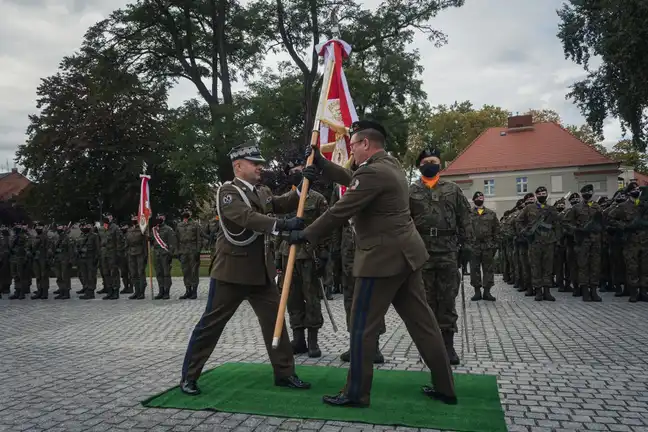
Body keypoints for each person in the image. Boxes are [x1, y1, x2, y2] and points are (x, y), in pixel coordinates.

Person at [288, 120, 456, 408]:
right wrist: (323, 165)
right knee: (424, 324)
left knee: (361, 327)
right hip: (406, 256)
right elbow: (352, 177)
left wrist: (305, 234)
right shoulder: (389, 165)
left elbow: (341, 210)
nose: (350, 150)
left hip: (381, 260)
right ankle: (445, 387)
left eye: (353, 144)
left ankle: (356, 393)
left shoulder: (374, 172)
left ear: (365, 144)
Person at [179, 143, 315, 396]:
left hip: (261, 272)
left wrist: (301, 186)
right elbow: (247, 218)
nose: (260, 167)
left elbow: (280, 203)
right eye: (255, 163)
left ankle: (285, 374)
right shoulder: (228, 192)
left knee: (275, 323)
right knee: (211, 324)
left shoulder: (261, 191)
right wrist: (284, 225)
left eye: (260, 163)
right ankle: (189, 376)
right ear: (238, 166)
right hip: (232, 272)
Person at [409, 147, 473, 365]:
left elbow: (465, 218)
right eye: (426, 161)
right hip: (421, 252)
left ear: (441, 165)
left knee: (447, 300)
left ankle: (448, 346)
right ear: (419, 166)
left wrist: (467, 247)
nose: (430, 164)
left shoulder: (453, 189)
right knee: (424, 302)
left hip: (447, 251)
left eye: (434, 160)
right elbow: (404, 222)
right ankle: (427, 348)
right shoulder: (411, 191)